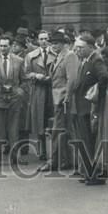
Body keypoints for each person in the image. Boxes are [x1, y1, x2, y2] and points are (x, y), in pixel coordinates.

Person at [70, 32, 108, 185]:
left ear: (90, 47)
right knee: (86, 141)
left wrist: (97, 99)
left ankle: (95, 175)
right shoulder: (87, 59)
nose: (77, 50)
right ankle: (89, 172)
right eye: (76, 47)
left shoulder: (96, 60)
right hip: (83, 107)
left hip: (89, 108)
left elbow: (105, 77)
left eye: (80, 47)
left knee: (90, 142)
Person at [40, 30, 77, 173]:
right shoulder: (59, 56)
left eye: (56, 43)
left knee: (58, 130)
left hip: (63, 99)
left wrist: (67, 97)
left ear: (63, 43)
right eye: (52, 43)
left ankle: (54, 161)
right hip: (58, 98)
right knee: (64, 131)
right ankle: (66, 161)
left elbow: (72, 79)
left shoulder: (69, 56)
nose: (53, 46)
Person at [0, 35, 26, 165]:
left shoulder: (19, 60)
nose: (3, 48)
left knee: (14, 128)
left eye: (5, 46)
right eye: (1, 46)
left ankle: (15, 156)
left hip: (14, 97)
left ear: (11, 46)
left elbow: (24, 80)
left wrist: (20, 91)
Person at [23, 30, 55, 160]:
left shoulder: (55, 54)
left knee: (53, 119)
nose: (44, 41)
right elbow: (26, 73)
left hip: (53, 89)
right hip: (39, 90)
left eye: (46, 38)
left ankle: (54, 150)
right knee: (40, 121)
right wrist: (36, 75)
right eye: (41, 39)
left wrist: (51, 77)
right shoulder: (31, 56)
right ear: (37, 40)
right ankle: (42, 151)